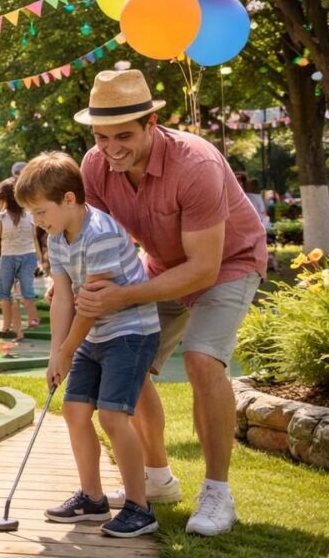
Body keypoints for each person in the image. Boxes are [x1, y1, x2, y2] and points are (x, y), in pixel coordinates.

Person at [72, 69, 266, 536]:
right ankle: (158, 479)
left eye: (123, 136)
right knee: (126, 351)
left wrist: (123, 294)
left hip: (228, 263)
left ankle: (218, 493)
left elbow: (202, 267)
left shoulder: (195, 163)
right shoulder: (94, 167)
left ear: (151, 122)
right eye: (101, 136)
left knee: (202, 360)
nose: (111, 147)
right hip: (159, 266)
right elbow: (103, 243)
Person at [15, 152, 161, 538]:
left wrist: (66, 351)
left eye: (40, 211)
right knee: (75, 411)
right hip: (94, 335)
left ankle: (139, 508)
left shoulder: (100, 234)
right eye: (31, 213)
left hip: (131, 332)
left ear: (68, 199)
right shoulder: (57, 236)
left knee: (113, 417)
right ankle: (92, 498)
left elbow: (91, 307)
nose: (37, 221)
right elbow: (63, 298)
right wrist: (54, 354)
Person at [0, 179, 42, 339]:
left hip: (13, 257)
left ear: (5, 199)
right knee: (19, 291)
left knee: (9, 292)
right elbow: (33, 237)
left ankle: (12, 324)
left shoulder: (4, 217)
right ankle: (26, 321)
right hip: (21, 255)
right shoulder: (23, 215)